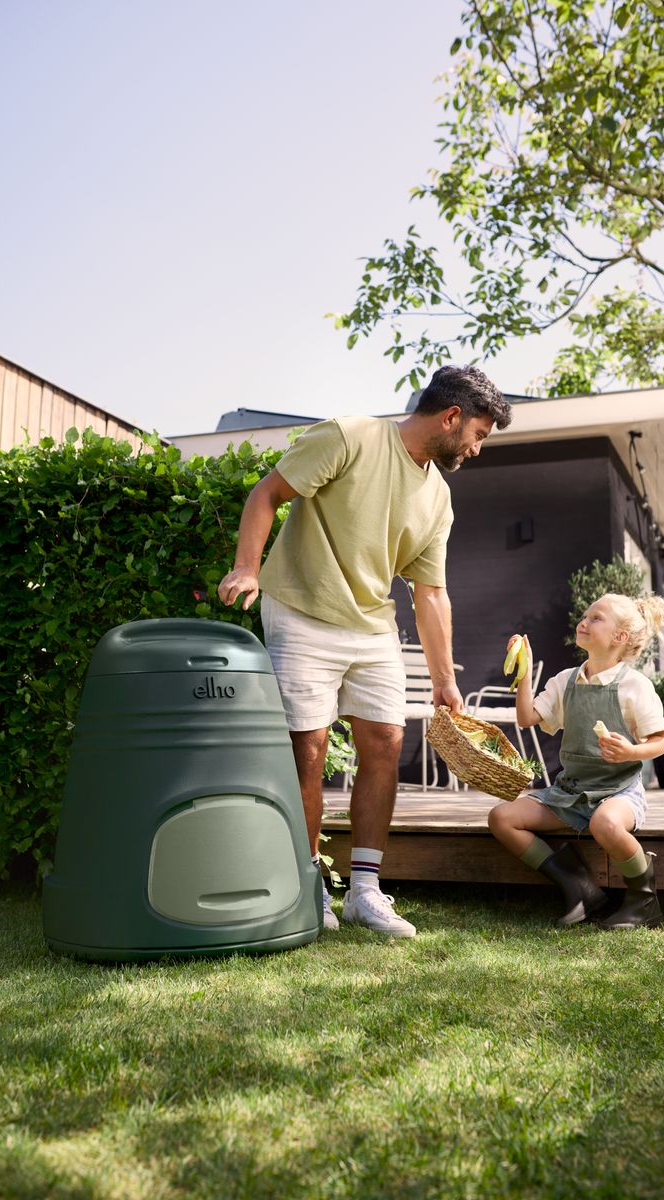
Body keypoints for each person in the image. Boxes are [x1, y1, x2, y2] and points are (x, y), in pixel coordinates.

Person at [218, 366, 512, 936]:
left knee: (386, 742)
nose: (477, 448)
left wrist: (445, 680)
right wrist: (247, 568)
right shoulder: (350, 436)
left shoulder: (438, 499)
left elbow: (430, 593)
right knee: (308, 748)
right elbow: (268, 494)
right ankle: (309, 888)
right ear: (451, 417)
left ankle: (366, 891)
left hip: (373, 626)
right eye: (478, 434)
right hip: (302, 609)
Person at [488, 593, 664, 929]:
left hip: (618, 792)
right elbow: (528, 716)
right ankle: (577, 886)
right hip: (570, 792)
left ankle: (644, 899)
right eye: (585, 616)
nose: (583, 622)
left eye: (596, 618)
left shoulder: (634, 685)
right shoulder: (565, 681)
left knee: (605, 823)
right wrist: (525, 673)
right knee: (502, 817)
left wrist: (631, 753)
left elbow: (661, 742)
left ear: (620, 638)